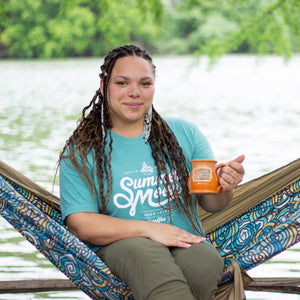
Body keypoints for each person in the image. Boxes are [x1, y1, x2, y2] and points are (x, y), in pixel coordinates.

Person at [58, 44, 245, 300]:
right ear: (103, 87)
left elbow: (212, 204)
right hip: (120, 245)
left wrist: (226, 187)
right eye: (122, 83)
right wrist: (150, 229)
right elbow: (82, 225)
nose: (134, 92)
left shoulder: (184, 134)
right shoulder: (82, 151)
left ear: (154, 88)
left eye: (145, 84)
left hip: (185, 239)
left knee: (206, 262)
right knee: (149, 258)